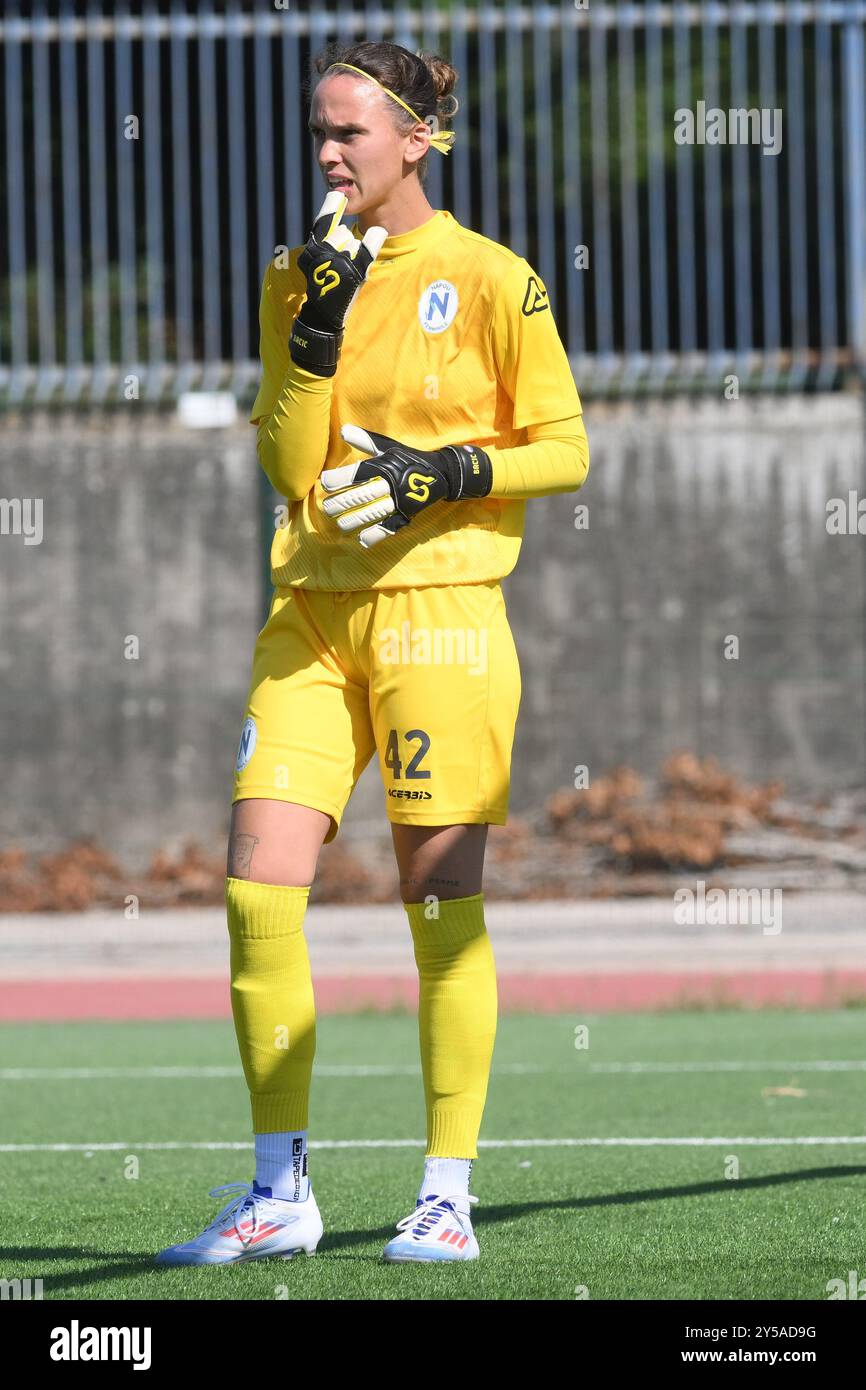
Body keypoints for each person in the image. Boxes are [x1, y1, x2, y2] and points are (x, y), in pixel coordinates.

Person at [157, 38, 588, 1267]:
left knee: (438, 906)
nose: (330, 153)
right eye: (318, 132)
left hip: (440, 615)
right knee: (254, 893)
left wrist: (445, 472)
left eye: (350, 131)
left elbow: (563, 450)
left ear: (417, 139)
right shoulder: (296, 273)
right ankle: (279, 1191)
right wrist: (314, 332)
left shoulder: (491, 276)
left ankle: (443, 1194)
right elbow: (286, 467)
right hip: (309, 616)